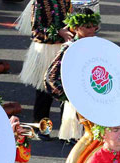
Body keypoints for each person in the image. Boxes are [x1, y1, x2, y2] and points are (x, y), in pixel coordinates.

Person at [42, 8, 101, 142]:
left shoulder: (98, 45)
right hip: (80, 100)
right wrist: (68, 96)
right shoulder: (70, 48)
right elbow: (51, 76)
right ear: (75, 28)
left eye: (94, 27)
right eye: (87, 27)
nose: (92, 30)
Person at [20, 0, 73, 125]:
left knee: (67, 92)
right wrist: (59, 32)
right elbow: (36, 31)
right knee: (44, 91)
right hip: (46, 51)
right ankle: (41, 126)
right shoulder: (39, 2)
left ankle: (66, 132)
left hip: (64, 49)